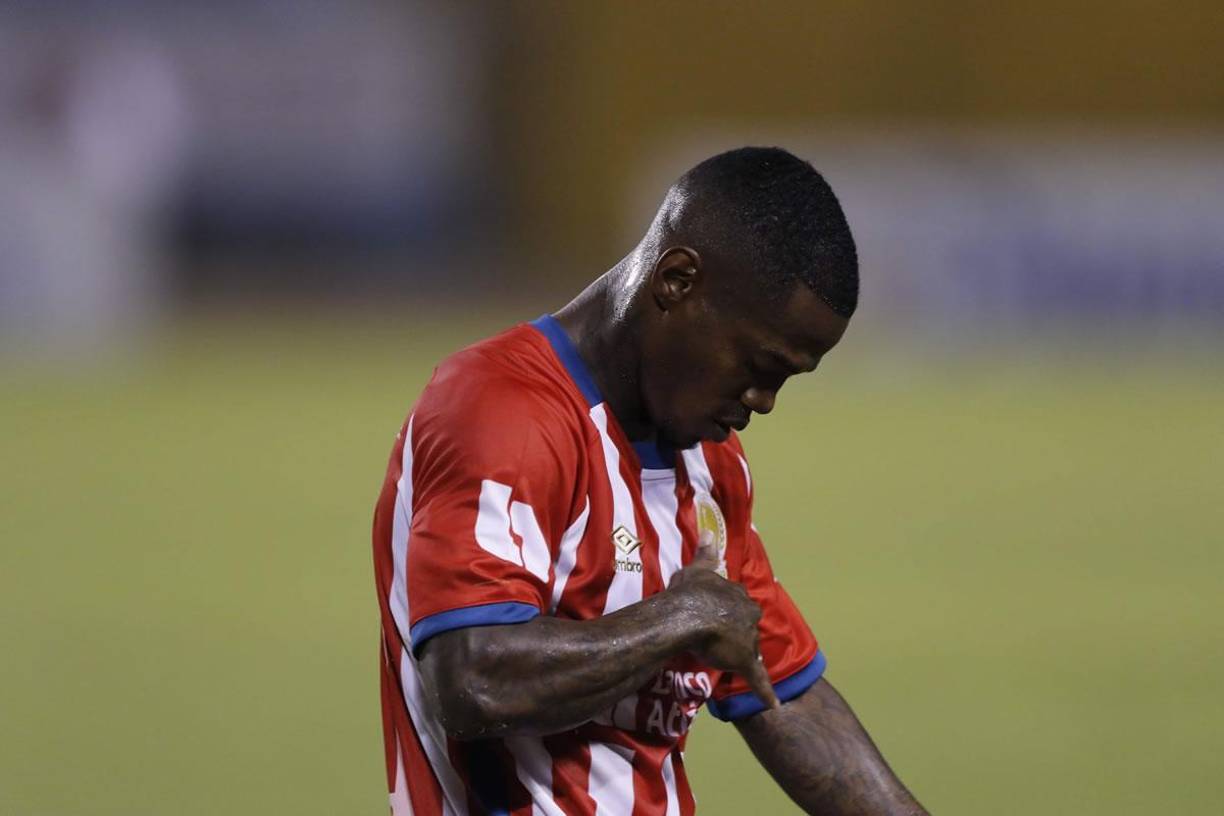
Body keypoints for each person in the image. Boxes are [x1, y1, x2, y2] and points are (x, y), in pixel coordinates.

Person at [372, 147, 928, 815]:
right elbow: (472, 678)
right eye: (759, 365)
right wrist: (677, 621)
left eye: (787, 380)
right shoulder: (504, 411)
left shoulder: (707, 461)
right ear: (677, 280)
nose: (765, 401)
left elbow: (782, 691)